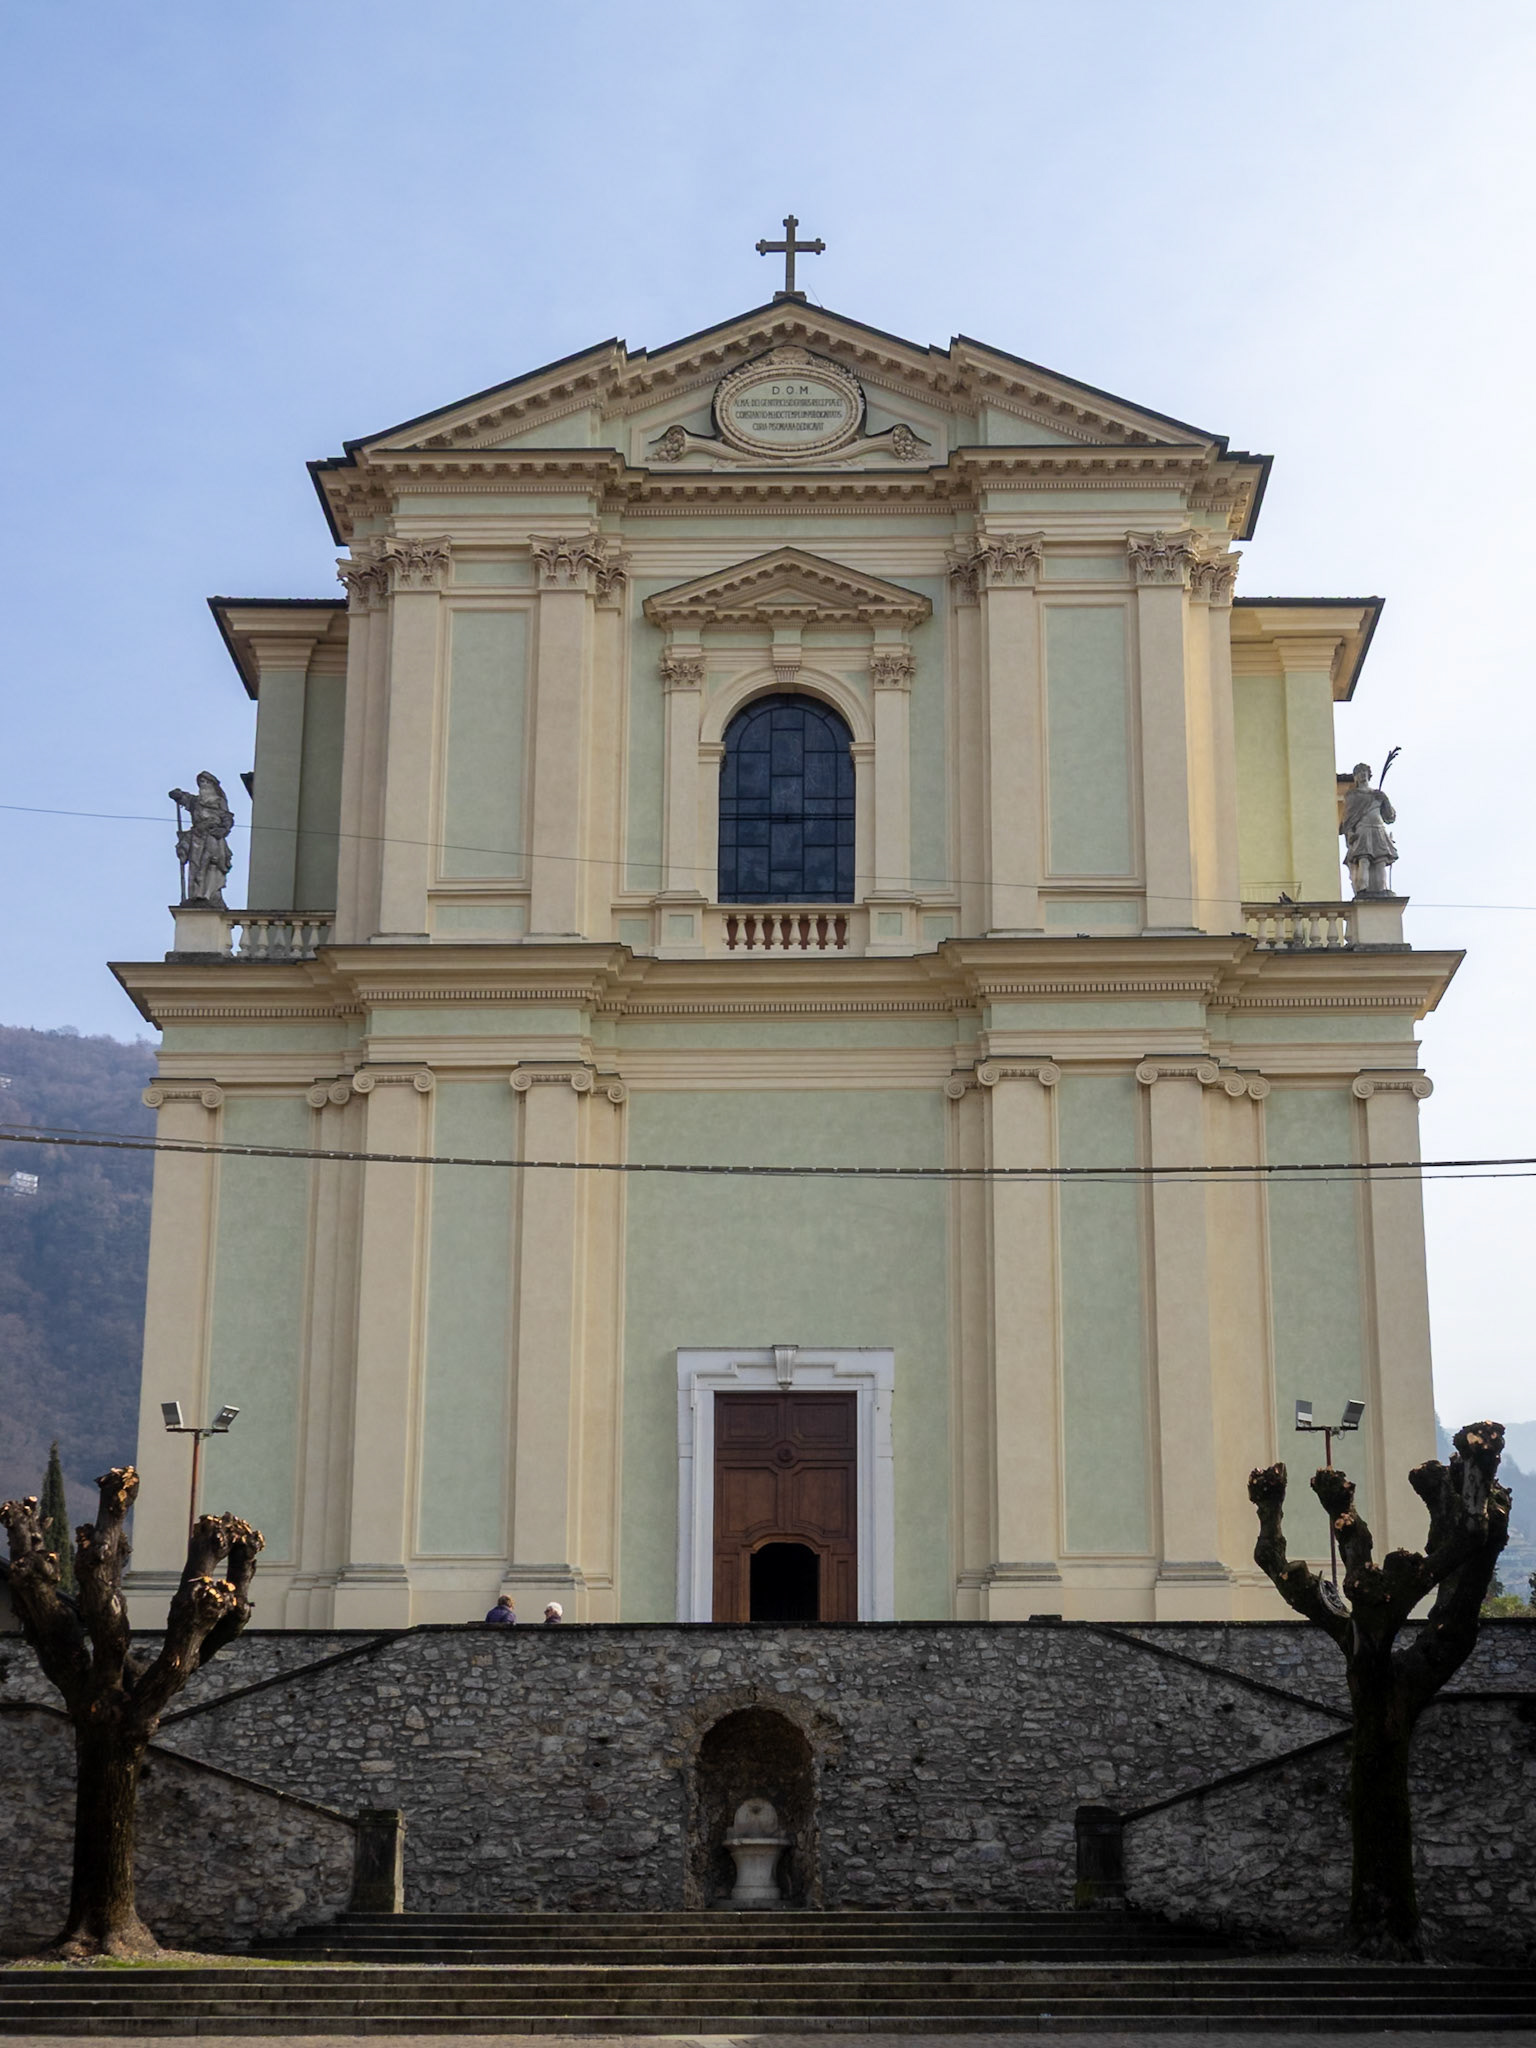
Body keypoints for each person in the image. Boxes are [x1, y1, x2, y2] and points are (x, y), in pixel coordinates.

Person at [1340, 761, 1398, 896]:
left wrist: (1385, 799)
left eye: (1364, 772)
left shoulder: (1377, 795)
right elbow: (1348, 818)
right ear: (1355, 777)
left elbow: (1390, 817)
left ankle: (1382, 890)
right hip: (1363, 830)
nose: (1362, 775)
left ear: (1369, 775)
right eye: (1359, 773)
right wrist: (1349, 834)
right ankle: (1362, 889)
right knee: (1363, 859)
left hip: (1378, 829)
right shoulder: (1352, 795)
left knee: (1380, 861)